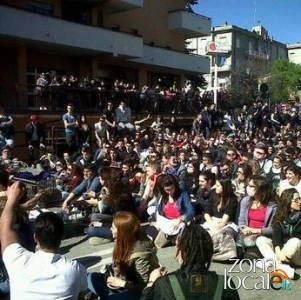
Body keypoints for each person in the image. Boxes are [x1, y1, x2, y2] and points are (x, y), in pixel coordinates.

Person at [0, 182, 87, 300]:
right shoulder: (76, 269)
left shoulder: (17, 261)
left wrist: (11, 199)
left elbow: (5, 227)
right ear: (62, 237)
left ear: (35, 237)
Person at [140, 224, 239, 300]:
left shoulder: (163, 284)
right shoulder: (225, 284)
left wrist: (151, 283)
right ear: (209, 251)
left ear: (180, 249)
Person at [88, 212, 159, 299]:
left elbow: (146, 288)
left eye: (113, 228)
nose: (110, 229)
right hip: (124, 280)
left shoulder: (141, 256)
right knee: (90, 277)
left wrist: (122, 283)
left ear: (122, 232)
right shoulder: (124, 241)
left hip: (136, 292)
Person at [256, 188, 301, 278]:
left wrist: (280, 253)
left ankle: (273, 262)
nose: (300, 202)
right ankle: (281, 266)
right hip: (282, 253)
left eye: (300, 198)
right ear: (288, 201)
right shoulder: (279, 215)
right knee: (261, 240)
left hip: (296, 254)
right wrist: (278, 251)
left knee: (295, 241)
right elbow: (276, 236)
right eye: (296, 200)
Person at [152, 175, 194, 248]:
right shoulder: (162, 196)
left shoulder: (182, 194)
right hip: (167, 223)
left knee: (183, 233)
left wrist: (180, 219)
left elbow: (191, 211)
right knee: (156, 242)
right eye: (167, 190)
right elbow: (157, 210)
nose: (169, 192)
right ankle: (171, 238)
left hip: (180, 223)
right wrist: (157, 222)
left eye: (171, 189)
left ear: (175, 186)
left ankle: (177, 239)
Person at [238, 175, 277, 249]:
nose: (248, 188)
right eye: (248, 185)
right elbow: (241, 220)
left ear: (261, 189)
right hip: (246, 234)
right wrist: (244, 229)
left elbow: (273, 229)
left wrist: (254, 230)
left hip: (262, 237)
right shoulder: (245, 201)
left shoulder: (272, 206)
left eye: (251, 186)